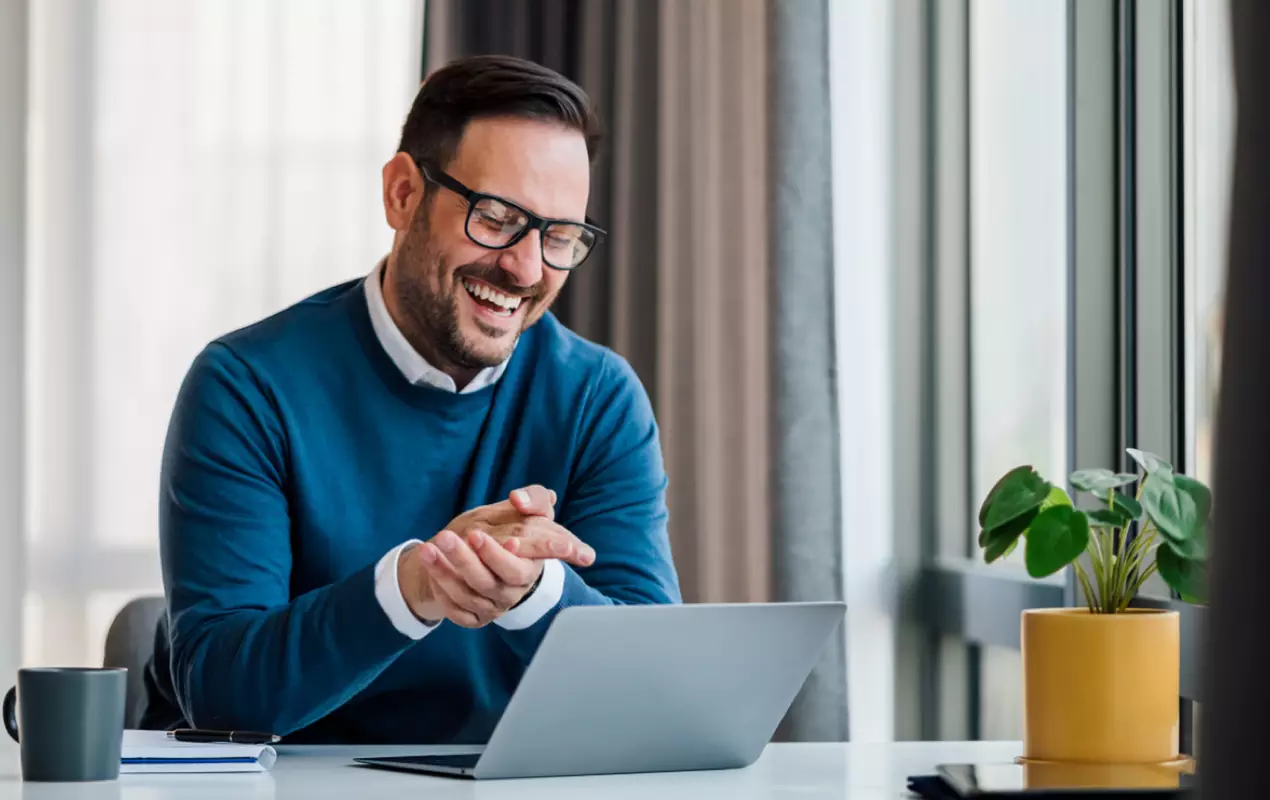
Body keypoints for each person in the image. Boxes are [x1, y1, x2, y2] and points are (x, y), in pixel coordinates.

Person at [142, 55, 682, 744]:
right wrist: (415, 585)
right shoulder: (246, 386)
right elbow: (221, 691)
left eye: (560, 236)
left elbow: (657, 686)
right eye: (497, 217)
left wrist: (531, 591)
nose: (525, 267)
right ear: (402, 193)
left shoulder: (597, 398)